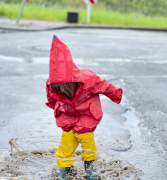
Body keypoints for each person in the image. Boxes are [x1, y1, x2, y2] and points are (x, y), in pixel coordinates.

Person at [46, 35, 123, 179]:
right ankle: (64, 169)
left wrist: (116, 96)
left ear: (72, 82)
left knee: (88, 145)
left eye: (64, 88)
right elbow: (51, 100)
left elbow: (106, 87)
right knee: (65, 146)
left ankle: (90, 169)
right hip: (68, 118)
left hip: (86, 116)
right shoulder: (52, 84)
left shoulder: (89, 79)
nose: (61, 91)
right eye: (58, 89)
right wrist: (57, 112)